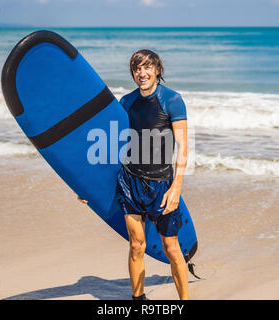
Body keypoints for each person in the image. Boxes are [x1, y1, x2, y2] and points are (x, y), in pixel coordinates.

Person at [78, 49, 189, 300]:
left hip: (161, 184)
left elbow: (183, 147)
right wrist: (87, 186)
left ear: (157, 70)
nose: (142, 73)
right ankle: (138, 300)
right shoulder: (125, 103)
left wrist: (176, 189)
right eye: (137, 68)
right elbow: (109, 146)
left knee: (171, 248)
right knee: (136, 245)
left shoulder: (172, 100)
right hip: (130, 182)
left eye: (147, 67)